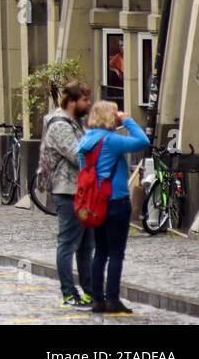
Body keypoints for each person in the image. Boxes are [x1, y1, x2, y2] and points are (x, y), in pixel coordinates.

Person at [77, 100, 148, 315]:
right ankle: (113, 299)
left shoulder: (85, 141)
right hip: (116, 201)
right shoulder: (111, 140)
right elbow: (143, 141)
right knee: (116, 253)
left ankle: (97, 299)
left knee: (100, 251)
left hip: (94, 203)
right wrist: (128, 120)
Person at [42, 81, 95, 309]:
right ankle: (69, 293)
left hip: (83, 191)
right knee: (68, 243)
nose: (89, 104)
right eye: (85, 100)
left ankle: (90, 292)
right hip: (68, 191)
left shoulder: (75, 123)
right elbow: (77, 155)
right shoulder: (60, 125)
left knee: (86, 245)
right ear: (72, 102)